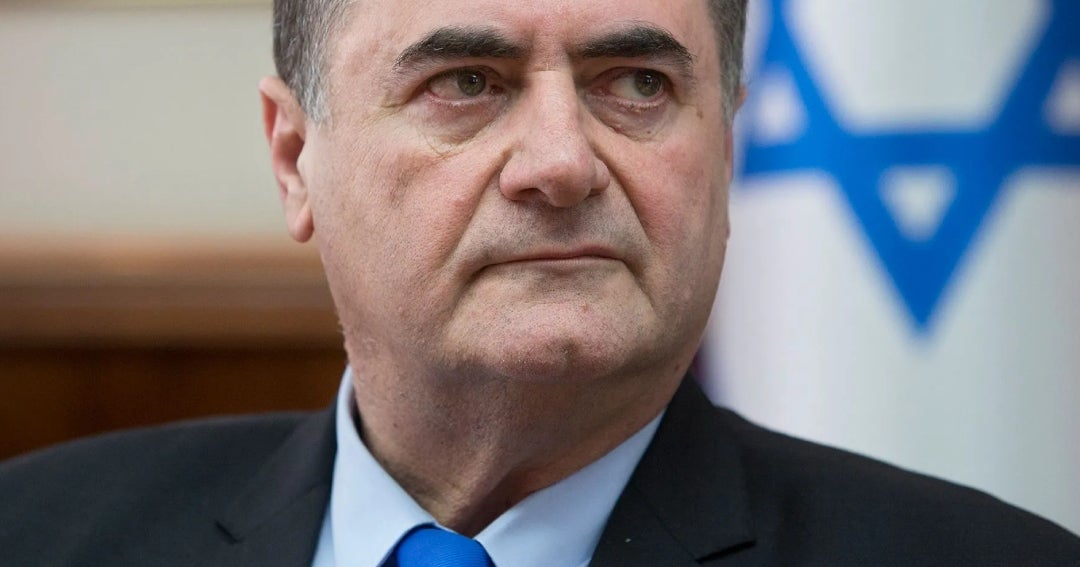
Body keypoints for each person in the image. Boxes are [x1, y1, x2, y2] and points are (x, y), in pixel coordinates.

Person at [1, 0, 1077, 565]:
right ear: (294, 160)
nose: (561, 162)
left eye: (637, 83)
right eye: (467, 81)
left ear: (726, 149)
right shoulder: (37, 535)